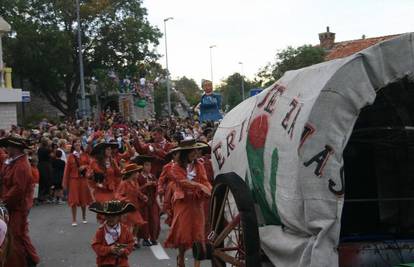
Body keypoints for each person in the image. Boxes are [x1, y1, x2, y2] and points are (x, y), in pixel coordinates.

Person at [163, 139, 212, 267]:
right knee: (183, 233)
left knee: (199, 233)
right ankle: (181, 256)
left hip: (196, 202)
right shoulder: (175, 167)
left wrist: (209, 189)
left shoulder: (199, 165)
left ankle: (197, 264)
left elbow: (204, 180)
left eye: (196, 151)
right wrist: (199, 185)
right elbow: (182, 181)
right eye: (193, 151)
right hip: (183, 201)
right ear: (185, 153)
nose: (195, 153)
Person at [0, 136, 40, 267]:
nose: (6, 149)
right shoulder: (11, 161)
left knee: (15, 236)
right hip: (11, 205)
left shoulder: (21, 165)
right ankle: (31, 261)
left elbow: (18, 189)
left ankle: (21, 263)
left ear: (14, 148)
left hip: (17, 207)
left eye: (8, 146)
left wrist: (3, 203)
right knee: (19, 236)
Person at [90, 201, 135, 267]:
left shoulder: (125, 230)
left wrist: (123, 250)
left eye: (113, 216)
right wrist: (109, 249)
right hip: (105, 263)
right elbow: (95, 246)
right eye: (108, 216)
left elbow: (131, 243)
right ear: (105, 216)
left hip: (122, 263)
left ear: (119, 217)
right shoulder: (101, 231)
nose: (110, 219)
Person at [115, 163, 147, 248]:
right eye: (136, 172)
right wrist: (125, 200)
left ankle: (133, 238)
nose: (138, 174)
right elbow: (118, 195)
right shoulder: (124, 183)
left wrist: (143, 196)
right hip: (126, 207)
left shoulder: (135, 182)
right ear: (131, 173)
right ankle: (127, 241)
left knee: (138, 222)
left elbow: (137, 191)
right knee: (127, 225)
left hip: (135, 206)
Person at [62, 139, 93, 226]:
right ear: (73, 145)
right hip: (73, 179)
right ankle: (74, 220)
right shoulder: (71, 156)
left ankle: (84, 217)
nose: (77, 144)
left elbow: (90, 165)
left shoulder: (85, 155)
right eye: (76, 143)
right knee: (74, 200)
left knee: (83, 199)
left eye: (79, 143)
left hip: (83, 179)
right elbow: (67, 170)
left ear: (81, 144)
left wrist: (84, 166)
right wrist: (65, 183)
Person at [89, 141, 121, 223]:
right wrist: (97, 173)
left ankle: (109, 233)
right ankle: (103, 230)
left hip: (111, 190)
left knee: (113, 214)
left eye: (110, 149)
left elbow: (118, 173)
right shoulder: (95, 162)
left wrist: (124, 170)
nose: (110, 151)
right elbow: (91, 173)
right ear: (102, 151)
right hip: (101, 190)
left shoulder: (112, 161)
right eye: (108, 149)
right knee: (104, 212)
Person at [135, 155, 160, 246]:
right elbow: (136, 189)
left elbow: (157, 185)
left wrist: (154, 184)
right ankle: (144, 238)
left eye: (150, 165)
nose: (149, 167)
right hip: (142, 202)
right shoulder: (138, 177)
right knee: (144, 220)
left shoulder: (152, 176)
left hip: (152, 201)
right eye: (146, 165)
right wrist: (146, 185)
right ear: (142, 166)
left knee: (154, 220)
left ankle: (153, 238)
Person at [37, 137, 53, 203]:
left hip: (40, 165)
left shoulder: (39, 149)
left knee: (42, 181)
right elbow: (52, 155)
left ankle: (41, 196)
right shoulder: (47, 150)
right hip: (46, 166)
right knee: (46, 181)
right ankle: (44, 197)